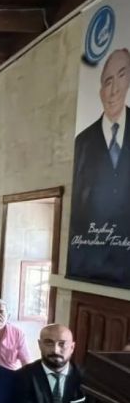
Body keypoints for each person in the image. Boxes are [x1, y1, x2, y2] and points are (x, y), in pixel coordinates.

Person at [70, 48, 130, 285]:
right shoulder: (82, 143)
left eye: (121, 76)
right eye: (107, 81)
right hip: (89, 265)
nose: (114, 90)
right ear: (100, 91)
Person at [16, 324, 87, 403]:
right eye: (49, 343)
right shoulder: (22, 376)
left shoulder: (86, 378)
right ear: (40, 345)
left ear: (72, 347)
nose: (55, 350)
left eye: (62, 344)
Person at [0, 299, 30, 370]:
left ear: (8, 315)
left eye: (1, 311)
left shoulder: (18, 333)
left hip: (11, 374)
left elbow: (25, 361)